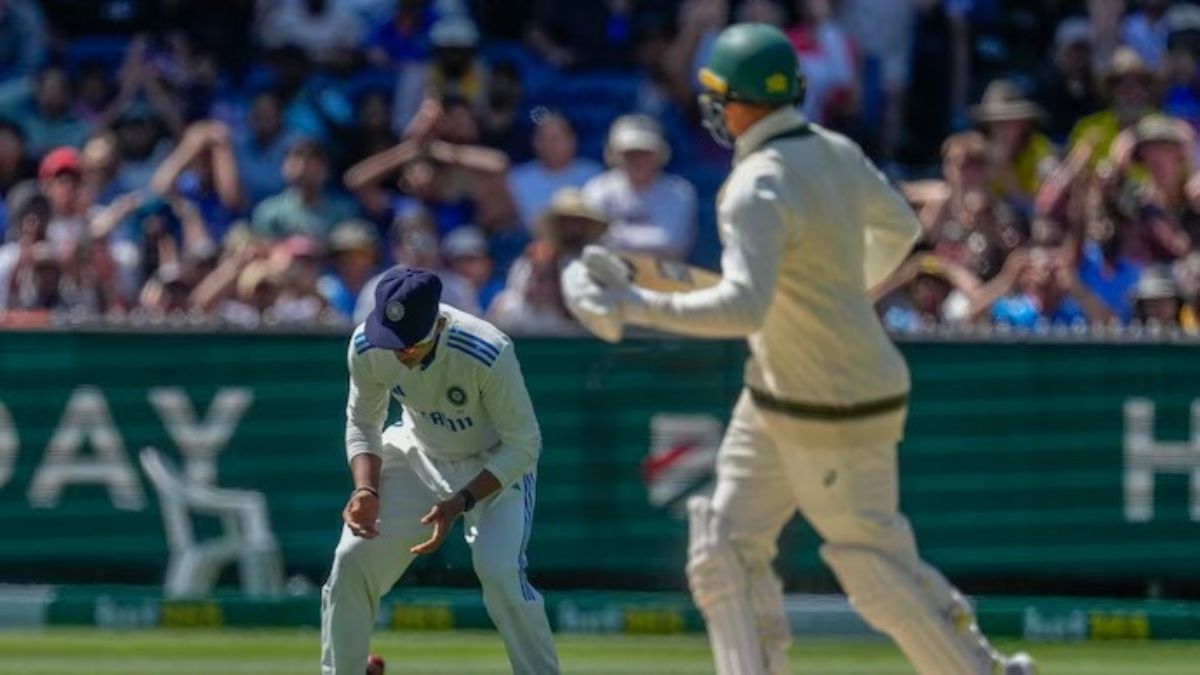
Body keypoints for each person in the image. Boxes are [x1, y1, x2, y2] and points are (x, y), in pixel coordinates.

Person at [561, 23, 1034, 675]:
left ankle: (979, 669)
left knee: (872, 564)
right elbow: (899, 228)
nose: (712, 108)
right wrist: (831, 288)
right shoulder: (834, 149)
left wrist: (637, 307)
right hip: (781, 387)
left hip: (830, 399)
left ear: (740, 100)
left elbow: (743, 306)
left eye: (717, 94)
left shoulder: (755, 184)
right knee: (722, 547)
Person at [320, 267, 560, 674]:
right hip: (418, 451)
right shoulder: (366, 344)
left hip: (493, 465)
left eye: (407, 344)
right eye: (389, 340)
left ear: (437, 325)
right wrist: (366, 491)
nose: (397, 352)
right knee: (351, 558)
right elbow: (363, 422)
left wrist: (460, 501)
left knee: (500, 574)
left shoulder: (487, 350)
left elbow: (525, 444)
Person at [582, 115, 696, 261]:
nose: (638, 160)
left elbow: (670, 242)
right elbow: (591, 238)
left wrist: (615, 233)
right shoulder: (598, 188)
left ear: (660, 154)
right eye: (630, 154)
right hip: (608, 273)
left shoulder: (680, 192)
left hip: (664, 277)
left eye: (645, 154)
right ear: (614, 155)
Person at [507, 113, 602, 233]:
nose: (549, 145)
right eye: (543, 139)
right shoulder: (516, 178)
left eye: (556, 139)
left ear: (572, 141)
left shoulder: (593, 174)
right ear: (535, 142)